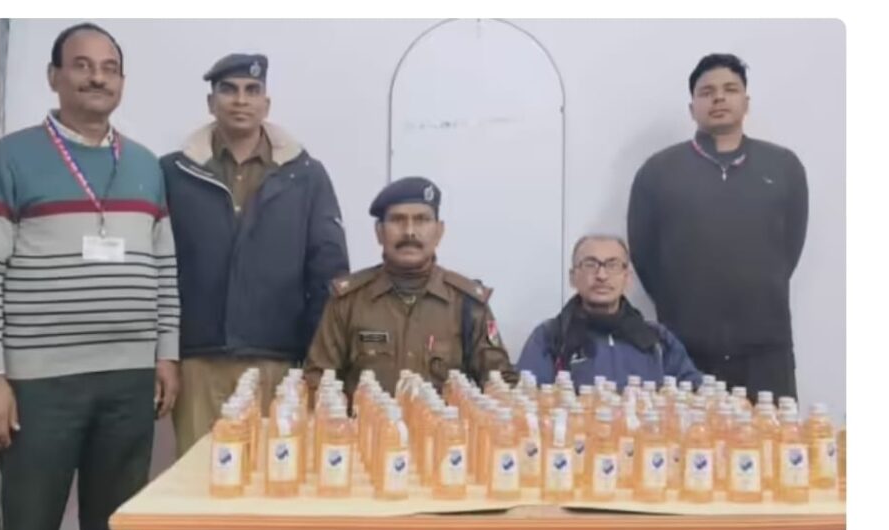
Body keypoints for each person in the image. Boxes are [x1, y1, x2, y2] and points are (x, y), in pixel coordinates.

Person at [0, 23, 179, 530]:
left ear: (121, 81)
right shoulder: (8, 159)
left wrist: (167, 355)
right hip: (39, 385)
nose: (97, 77)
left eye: (109, 68)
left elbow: (165, 268)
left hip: (128, 381)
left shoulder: (145, 164)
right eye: (82, 65)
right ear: (53, 76)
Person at [160, 53, 349, 455]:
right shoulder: (174, 173)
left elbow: (328, 272)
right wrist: (164, 355)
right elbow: (157, 270)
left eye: (252, 90)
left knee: (272, 473)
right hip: (197, 362)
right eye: (228, 90)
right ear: (211, 102)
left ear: (266, 103)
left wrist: (316, 362)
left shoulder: (306, 175)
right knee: (199, 475)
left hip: (279, 363)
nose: (241, 100)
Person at [627, 53, 808, 401]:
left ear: (746, 102)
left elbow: (788, 250)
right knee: (684, 437)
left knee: (769, 436)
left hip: (765, 350)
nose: (719, 98)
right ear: (692, 107)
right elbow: (644, 255)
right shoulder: (659, 172)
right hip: (685, 351)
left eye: (730, 89)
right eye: (707, 92)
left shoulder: (783, 167)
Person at [304, 176, 514, 398]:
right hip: (365, 421)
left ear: (439, 231)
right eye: (398, 220)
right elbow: (318, 383)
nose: (409, 232)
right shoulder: (348, 301)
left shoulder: (467, 303)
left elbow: (501, 385)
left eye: (422, 220)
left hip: (445, 421)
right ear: (379, 232)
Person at [516, 235, 701, 390]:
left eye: (612, 265)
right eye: (590, 264)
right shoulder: (550, 338)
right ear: (573, 277)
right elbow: (528, 405)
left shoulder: (657, 340)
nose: (602, 276)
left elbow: (695, 395)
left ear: (627, 278)